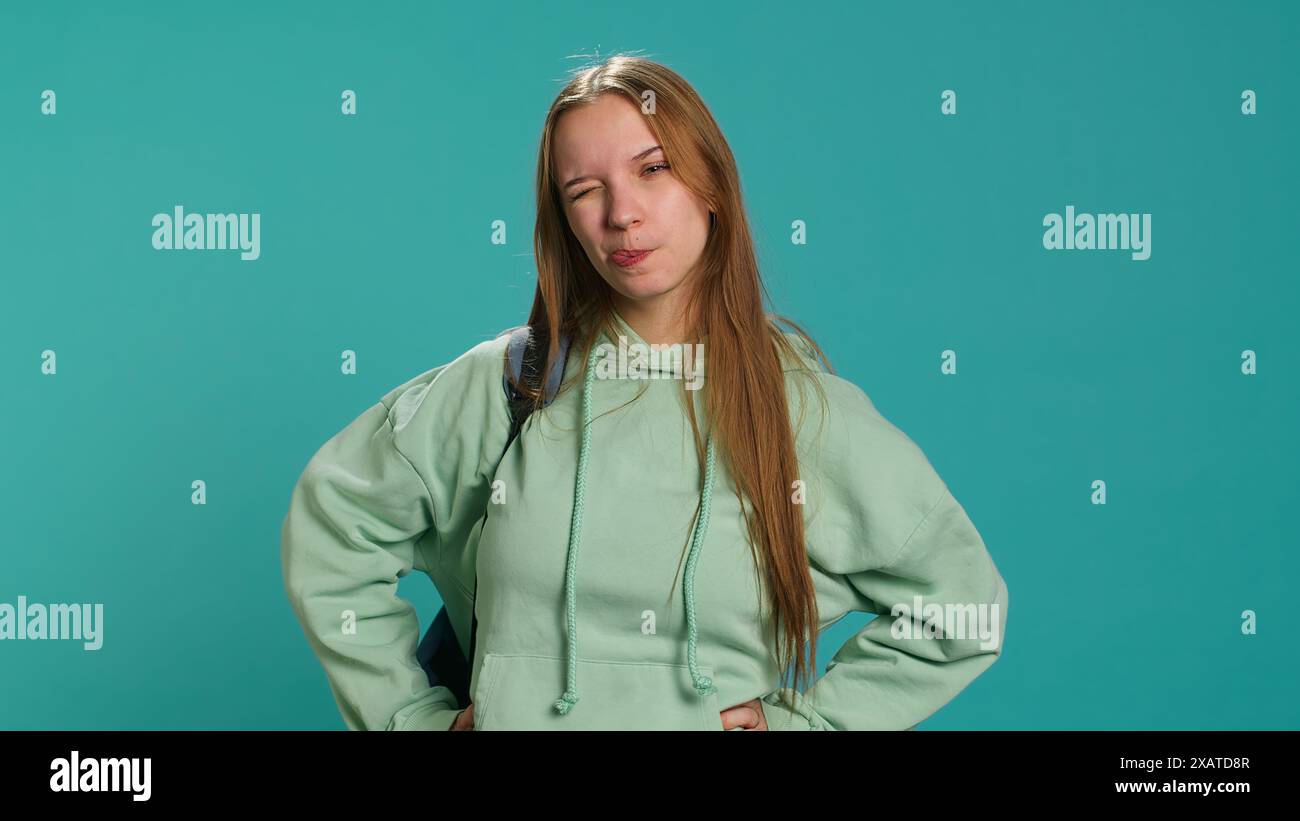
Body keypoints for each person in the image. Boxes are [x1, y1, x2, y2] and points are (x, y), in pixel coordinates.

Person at [279, 54, 1009, 731]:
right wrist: (410, 718)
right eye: (584, 190)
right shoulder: (512, 386)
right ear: (564, 221)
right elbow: (335, 521)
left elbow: (962, 607)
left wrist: (804, 724)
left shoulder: (800, 414)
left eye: (652, 169)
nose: (621, 213)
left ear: (711, 183)